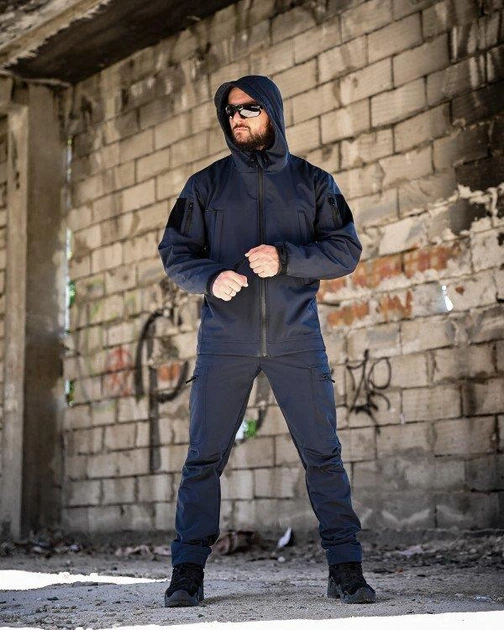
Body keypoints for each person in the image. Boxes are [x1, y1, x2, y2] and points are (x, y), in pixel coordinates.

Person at [158, 75, 375, 607]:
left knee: (323, 454)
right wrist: (210, 277)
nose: (237, 118)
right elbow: (175, 253)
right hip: (224, 341)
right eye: (230, 111)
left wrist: (286, 258)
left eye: (249, 108)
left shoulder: (314, 183)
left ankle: (346, 569)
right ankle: (187, 573)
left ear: (272, 112)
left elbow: (345, 251)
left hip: (295, 337)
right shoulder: (204, 186)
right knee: (203, 458)